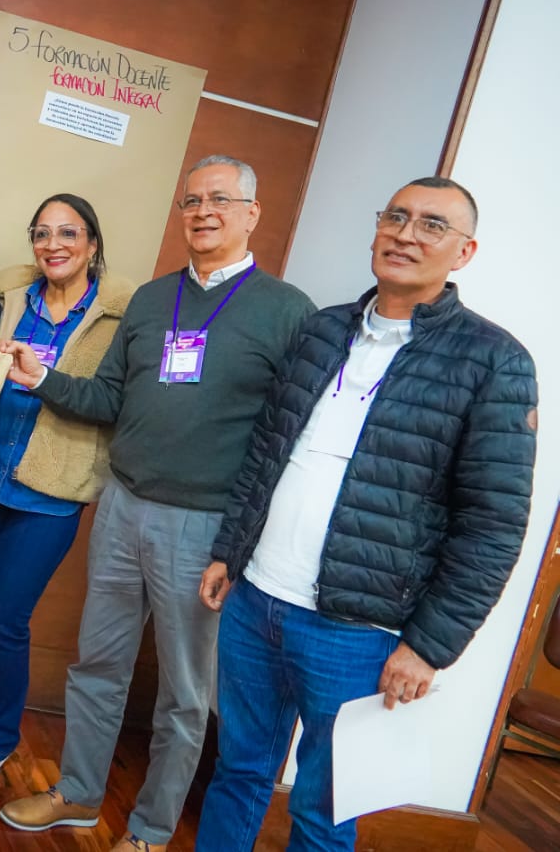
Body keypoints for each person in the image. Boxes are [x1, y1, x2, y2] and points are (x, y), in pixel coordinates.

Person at [195, 176, 538, 851]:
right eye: (396, 217)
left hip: (358, 633)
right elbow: (266, 452)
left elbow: (493, 526)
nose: (406, 234)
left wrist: (429, 644)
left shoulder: (494, 361)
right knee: (238, 771)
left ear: (464, 252)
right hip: (257, 599)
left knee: (325, 809)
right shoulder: (322, 329)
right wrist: (229, 551)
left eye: (431, 226)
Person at [0, 156, 316, 852]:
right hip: (122, 502)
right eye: (192, 201)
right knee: (97, 662)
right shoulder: (149, 299)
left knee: (184, 692)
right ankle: (77, 792)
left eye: (221, 200)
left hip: (205, 526)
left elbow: (287, 439)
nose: (203, 212)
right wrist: (42, 376)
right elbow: (108, 398)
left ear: (252, 213)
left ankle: (149, 828)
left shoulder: (288, 310)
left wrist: (237, 542)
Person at [0, 194, 136, 781]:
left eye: (68, 233)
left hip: (51, 491)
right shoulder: (10, 297)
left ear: (92, 243)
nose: (53, 245)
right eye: (41, 233)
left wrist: (44, 377)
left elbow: (114, 403)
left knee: (4, 618)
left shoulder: (120, 316)